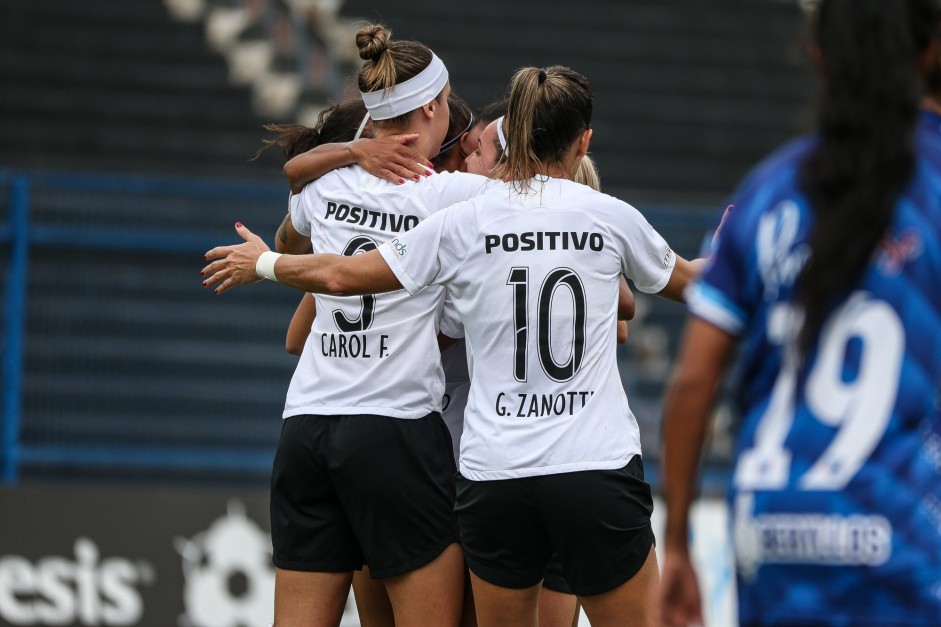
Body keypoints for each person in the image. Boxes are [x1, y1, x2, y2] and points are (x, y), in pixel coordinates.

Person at [203, 64, 704, 627]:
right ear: (583, 141)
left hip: (488, 471)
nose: (467, 157)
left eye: (478, 149)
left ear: (511, 139)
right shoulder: (606, 217)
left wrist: (267, 262)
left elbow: (336, 276)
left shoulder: (460, 220)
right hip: (586, 464)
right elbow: (681, 290)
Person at [658, 1, 941, 625]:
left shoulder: (768, 190)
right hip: (903, 542)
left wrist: (676, 543)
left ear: (818, 55)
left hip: (774, 536)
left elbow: (693, 382)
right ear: (930, 52)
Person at [245, 22, 494, 627]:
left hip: (305, 427)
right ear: (433, 107)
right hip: (395, 430)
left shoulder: (322, 185)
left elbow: (291, 220)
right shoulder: (452, 195)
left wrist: (351, 155)